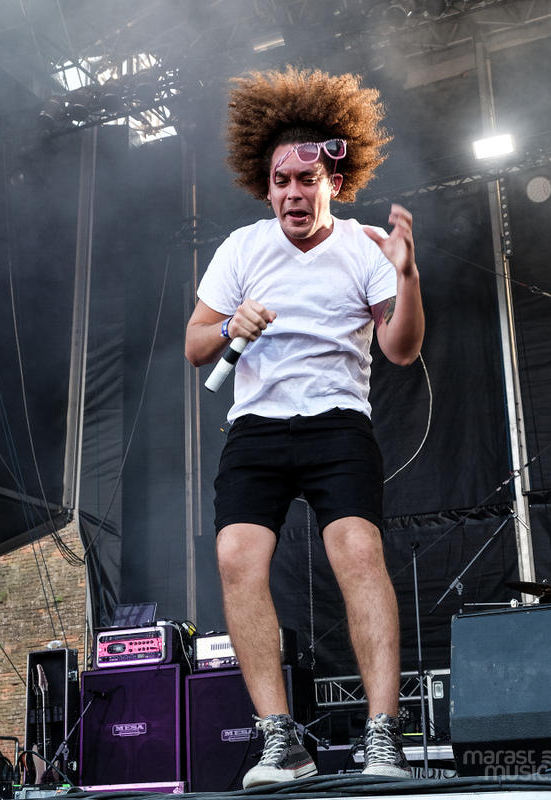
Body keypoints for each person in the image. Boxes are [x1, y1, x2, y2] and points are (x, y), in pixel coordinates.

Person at [185, 67, 425, 788]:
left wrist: (407, 278)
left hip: (337, 424)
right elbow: (195, 346)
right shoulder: (241, 248)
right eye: (281, 180)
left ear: (334, 182)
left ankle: (383, 737)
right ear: (267, 188)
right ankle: (280, 741)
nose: (293, 191)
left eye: (307, 179)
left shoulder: (364, 247)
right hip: (257, 427)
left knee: (358, 553)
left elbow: (401, 349)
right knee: (236, 558)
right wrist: (230, 325)